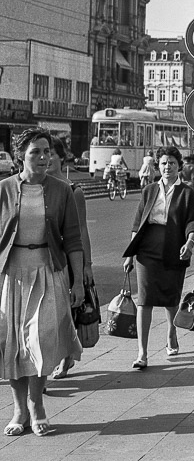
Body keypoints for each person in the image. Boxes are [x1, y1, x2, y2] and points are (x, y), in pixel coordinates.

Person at [0, 128, 84, 436]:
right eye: (36, 152)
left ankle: (37, 404)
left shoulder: (62, 190)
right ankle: (19, 409)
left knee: (41, 340)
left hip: (49, 272)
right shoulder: (5, 189)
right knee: (13, 345)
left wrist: (78, 283)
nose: (43, 157)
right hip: (11, 275)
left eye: (47, 151)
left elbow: (73, 240)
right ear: (21, 155)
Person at [122, 146, 194, 369]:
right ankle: (142, 353)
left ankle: (171, 333)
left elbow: (193, 222)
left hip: (175, 247)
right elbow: (138, 223)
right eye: (164, 163)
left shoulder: (186, 192)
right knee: (144, 300)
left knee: (171, 298)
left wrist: (190, 242)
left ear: (179, 166)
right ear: (158, 166)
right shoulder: (149, 190)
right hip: (147, 250)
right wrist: (130, 254)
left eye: (172, 163)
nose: (168, 167)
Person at [48, 137, 94, 381]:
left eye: (51, 154)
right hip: (43, 260)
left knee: (66, 312)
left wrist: (86, 266)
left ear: (60, 158)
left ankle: (65, 357)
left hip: (67, 259)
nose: (45, 159)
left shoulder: (72, 190)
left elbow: (81, 231)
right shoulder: (35, 187)